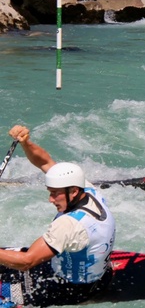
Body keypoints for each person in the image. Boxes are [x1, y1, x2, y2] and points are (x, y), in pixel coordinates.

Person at [0, 125, 116, 307]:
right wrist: (26, 143)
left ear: (73, 191)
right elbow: (45, 162)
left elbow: (27, 262)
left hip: (68, 288)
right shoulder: (88, 190)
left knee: (3, 296)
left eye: (55, 193)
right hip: (93, 274)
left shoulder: (69, 224)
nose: (50, 199)